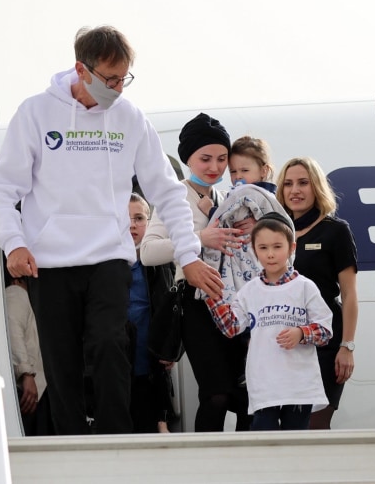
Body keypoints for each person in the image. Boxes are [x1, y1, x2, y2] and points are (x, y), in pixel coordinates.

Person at [0, 26, 222, 435]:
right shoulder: (36, 113)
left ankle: (116, 441)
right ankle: (72, 445)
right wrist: (14, 243)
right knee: (61, 360)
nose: (118, 88)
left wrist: (188, 254)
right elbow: (3, 188)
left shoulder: (129, 118)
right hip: (51, 261)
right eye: (110, 79)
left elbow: (166, 191)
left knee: (111, 343)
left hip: (109, 257)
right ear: (82, 69)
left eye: (124, 78)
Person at [141, 112, 250, 432]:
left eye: (221, 159)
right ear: (188, 158)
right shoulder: (175, 197)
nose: (214, 167)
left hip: (231, 304)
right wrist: (198, 239)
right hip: (195, 305)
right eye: (205, 158)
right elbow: (148, 253)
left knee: (245, 398)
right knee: (216, 394)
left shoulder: (225, 198)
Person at [204, 213, 332, 430]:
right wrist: (213, 296)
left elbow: (326, 330)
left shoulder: (305, 287)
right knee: (265, 444)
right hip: (264, 387)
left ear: (291, 248)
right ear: (254, 250)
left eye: (277, 247)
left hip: (299, 386)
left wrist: (301, 333)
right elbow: (231, 328)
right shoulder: (249, 291)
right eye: (263, 248)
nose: (270, 254)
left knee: (295, 446)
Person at [276, 157, 359, 430]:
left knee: (314, 426)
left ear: (317, 188)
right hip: (284, 343)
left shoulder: (336, 231)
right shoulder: (274, 233)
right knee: (286, 427)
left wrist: (347, 347)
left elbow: (349, 295)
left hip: (325, 342)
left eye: (303, 183)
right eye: (288, 184)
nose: (294, 190)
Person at [199, 136, 290, 304]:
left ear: (263, 171)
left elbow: (227, 218)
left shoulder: (250, 193)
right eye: (233, 171)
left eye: (244, 171)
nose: (238, 176)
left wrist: (210, 210)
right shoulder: (262, 194)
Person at [127, 193, 177, 433]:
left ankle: (162, 423)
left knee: (156, 417)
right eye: (126, 219)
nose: (132, 225)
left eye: (139, 218)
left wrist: (170, 346)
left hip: (151, 347)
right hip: (122, 350)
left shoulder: (159, 261)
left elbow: (170, 305)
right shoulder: (108, 264)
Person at [4, 270, 53, 436]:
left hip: (32, 386)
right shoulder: (16, 292)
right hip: (28, 389)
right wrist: (26, 374)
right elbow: (13, 332)